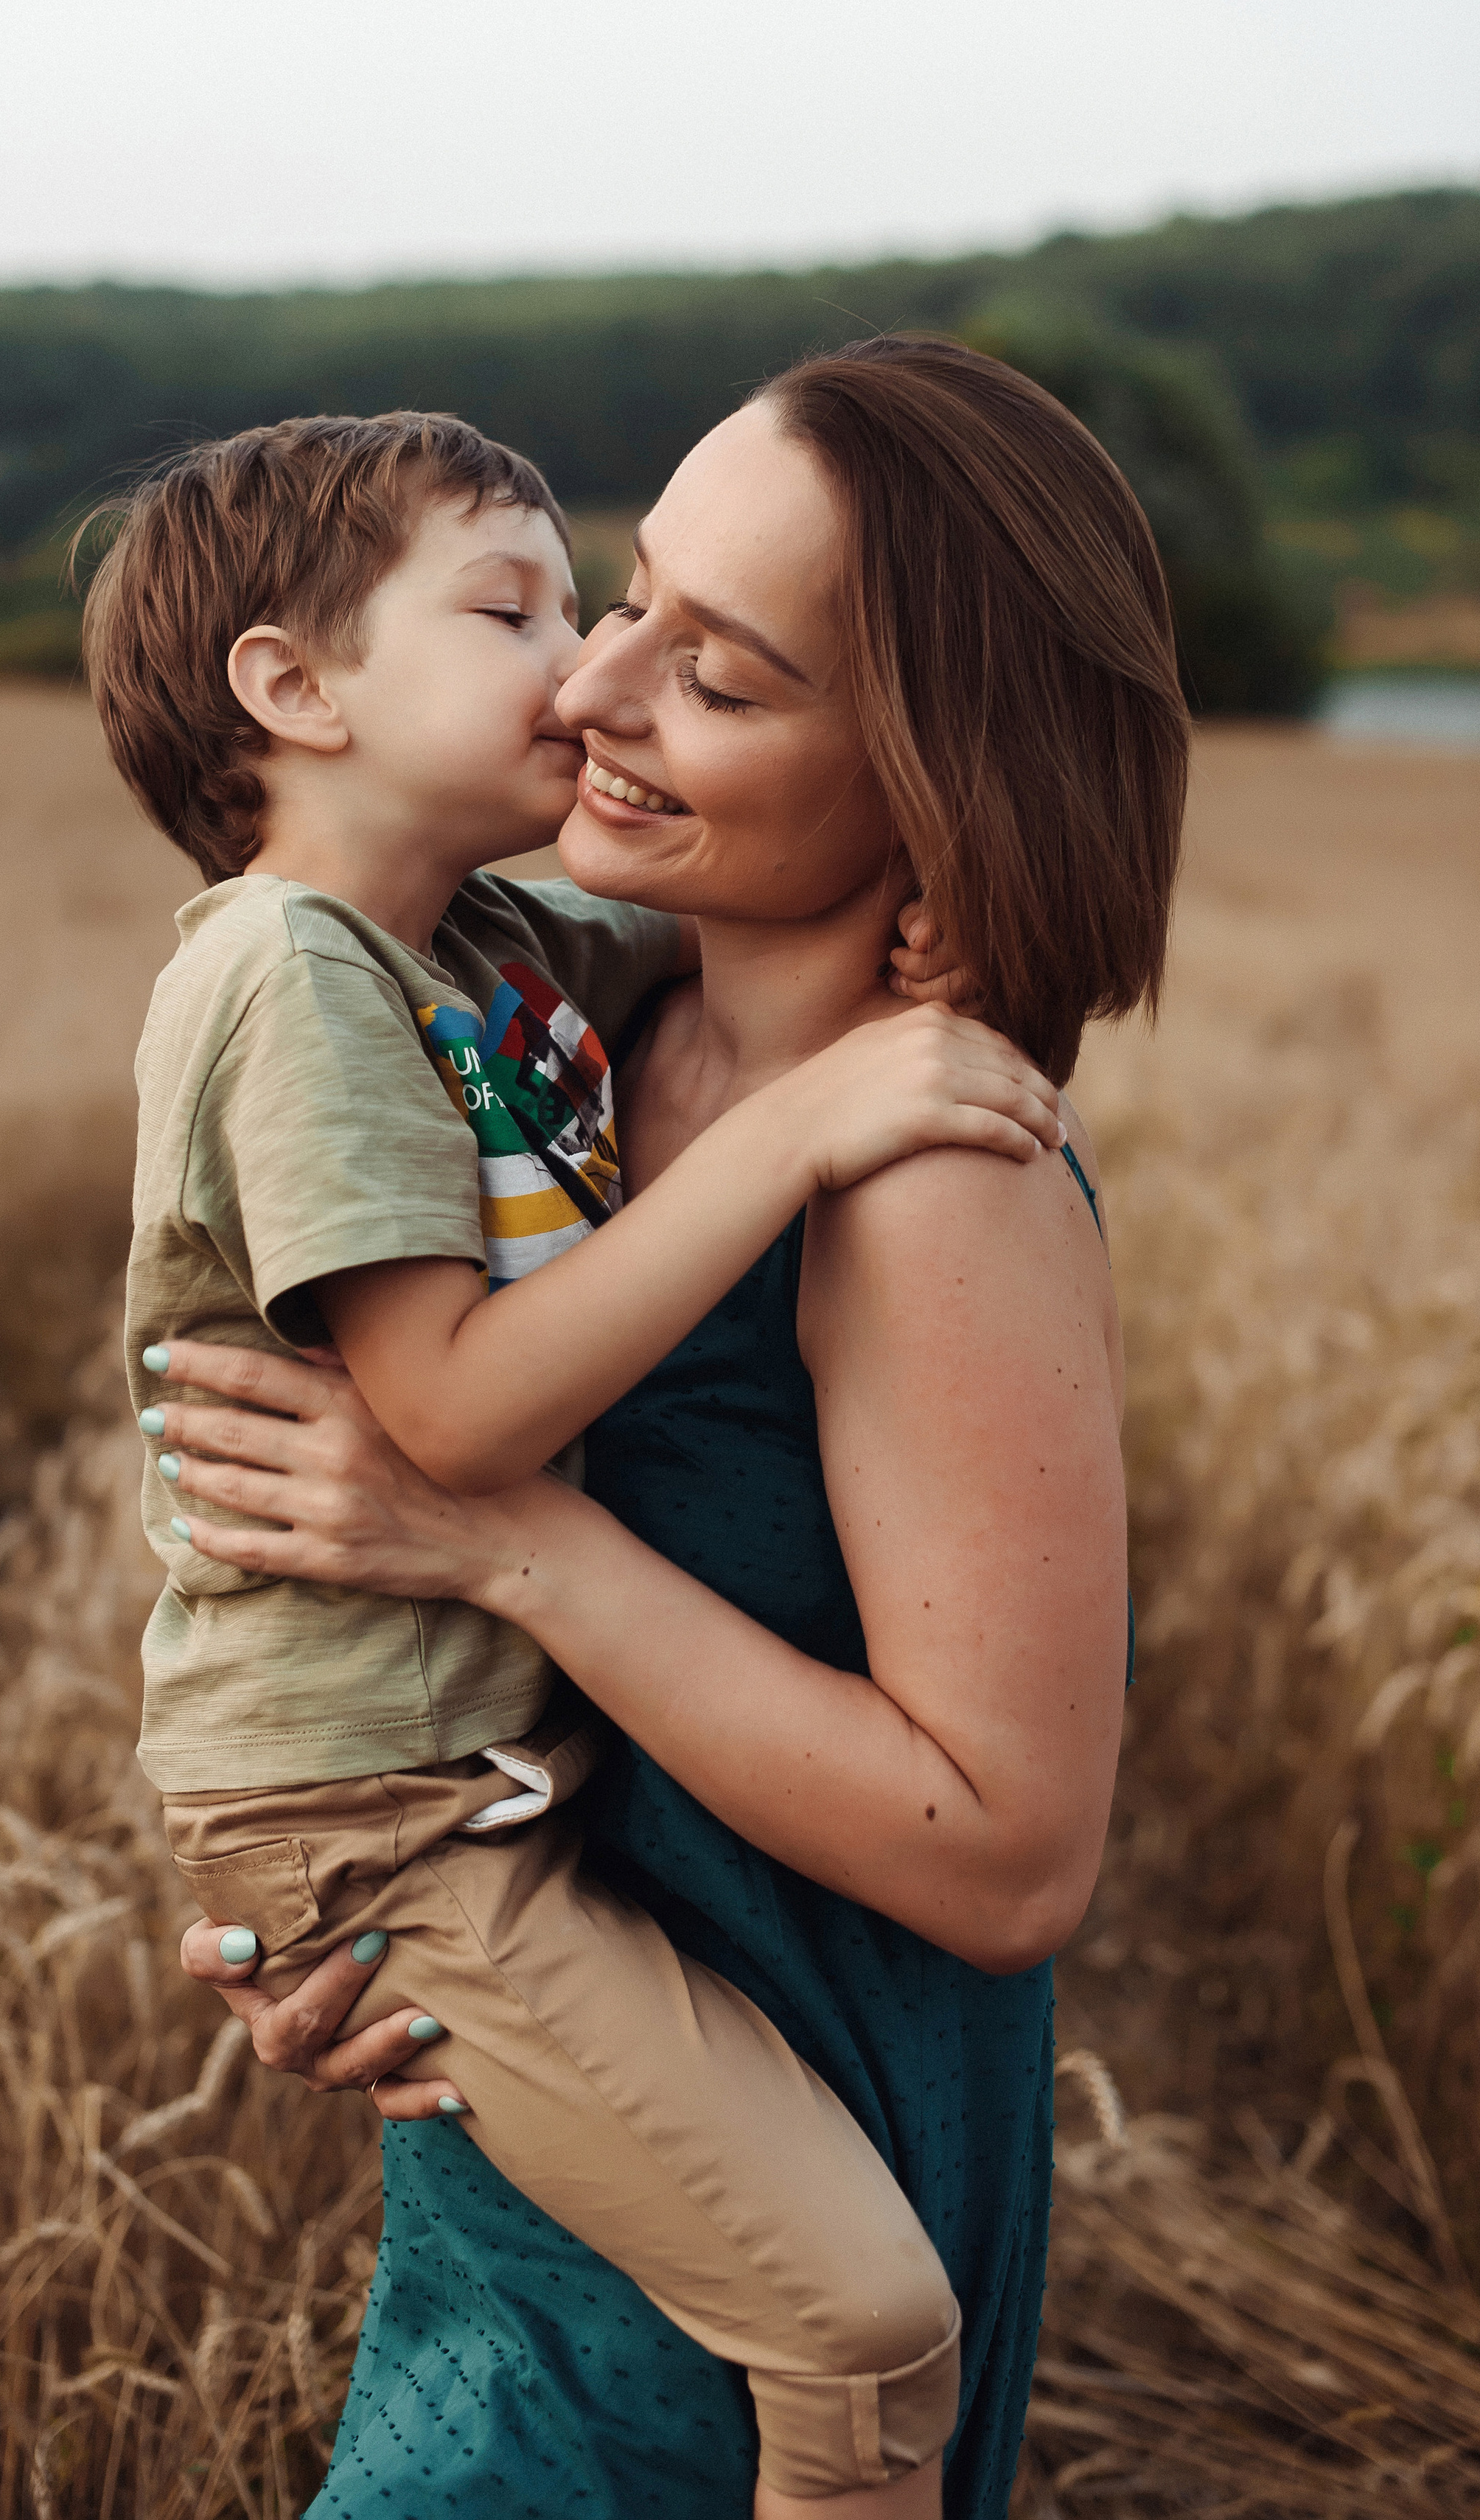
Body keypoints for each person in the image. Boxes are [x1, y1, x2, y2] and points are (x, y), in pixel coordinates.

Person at [149, 338, 1192, 2519]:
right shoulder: (597, 1029)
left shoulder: (930, 1182)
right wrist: (341, 1912)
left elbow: (1013, 1853)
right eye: (619, 598)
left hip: (799, 2143)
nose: (591, 691)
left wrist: (500, 1543)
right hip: (553, 2077)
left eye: (714, 676)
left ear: (932, 775)